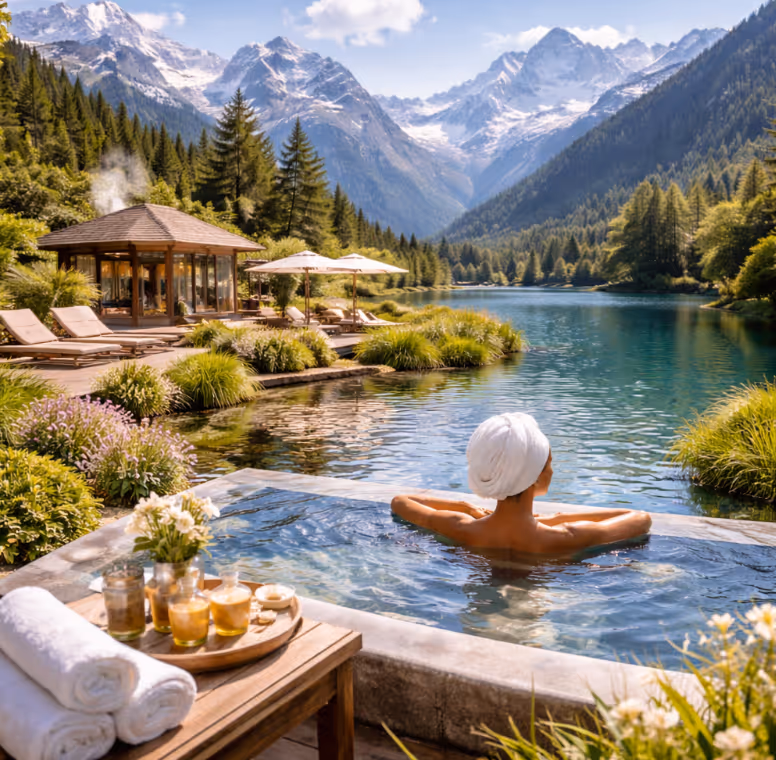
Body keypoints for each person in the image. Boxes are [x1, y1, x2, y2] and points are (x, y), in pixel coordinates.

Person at [391, 412, 652, 554]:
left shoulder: (460, 526)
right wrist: (557, 518)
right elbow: (640, 518)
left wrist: (465, 507)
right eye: (549, 463)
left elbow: (401, 501)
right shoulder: (567, 536)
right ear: (536, 475)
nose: (552, 470)